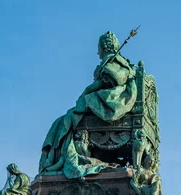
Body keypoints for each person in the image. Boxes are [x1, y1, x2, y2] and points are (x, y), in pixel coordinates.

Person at [39, 31, 138, 179]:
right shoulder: (117, 62)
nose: (97, 51)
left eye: (98, 47)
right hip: (111, 99)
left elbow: (112, 80)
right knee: (66, 118)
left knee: (67, 118)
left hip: (112, 101)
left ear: (104, 47)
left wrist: (86, 92)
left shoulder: (112, 62)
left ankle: (59, 157)